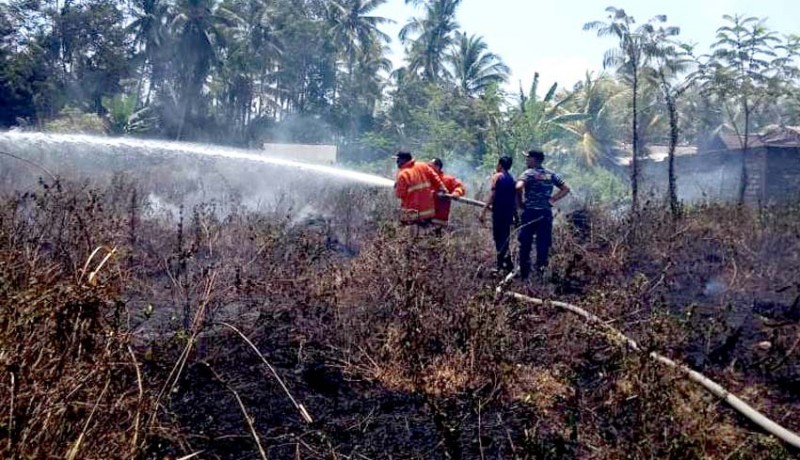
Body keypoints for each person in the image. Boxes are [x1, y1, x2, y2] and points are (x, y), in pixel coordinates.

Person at [516, 149, 570, 281]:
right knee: (543, 243)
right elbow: (566, 188)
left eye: (528, 158)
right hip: (545, 213)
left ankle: (524, 275)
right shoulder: (550, 174)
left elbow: (518, 187)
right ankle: (540, 274)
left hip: (530, 212)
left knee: (525, 243)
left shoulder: (528, 173)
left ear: (534, 159)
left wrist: (520, 202)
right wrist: (552, 200)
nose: (527, 160)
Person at [480, 156, 517, 274]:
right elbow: (514, 199)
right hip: (508, 213)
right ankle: (507, 263)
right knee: (505, 237)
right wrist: (515, 215)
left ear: (500, 165)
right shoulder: (512, 179)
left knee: (498, 238)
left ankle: (500, 265)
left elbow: (493, 195)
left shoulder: (497, 176)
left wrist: (484, 210)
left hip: (499, 212)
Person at [394, 151, 446, 226]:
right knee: (426, 231)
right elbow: (435, 178)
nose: (397, 162)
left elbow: (400, 194)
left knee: (411, 231)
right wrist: (442, 188)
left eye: (398, 160)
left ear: (404, 160)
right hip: (427, 210)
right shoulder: (422, 165)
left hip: (412, 210)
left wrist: (398, 187)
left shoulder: (403, 174)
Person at [429, 158, 466, 227]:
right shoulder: (424, 179)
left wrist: (456, 193)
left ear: (437, 167)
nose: (427, 168)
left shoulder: (447, 179)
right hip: (424, 219)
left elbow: (460, 187)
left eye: (430, 166)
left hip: (439, 219)